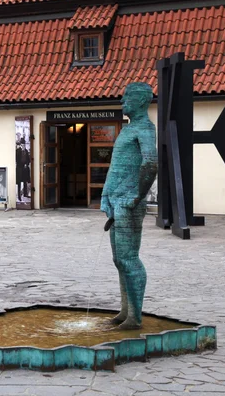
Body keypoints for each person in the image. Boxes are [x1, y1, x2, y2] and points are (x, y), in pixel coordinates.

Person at [101, 82, 158, 330]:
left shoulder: (145, 128)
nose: (122, 102)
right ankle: (125, 311)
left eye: (127, 97)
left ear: (142, 101)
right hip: (117, 202)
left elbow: (151, 163)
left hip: (128, 203)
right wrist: (106, 195)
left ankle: (135, 317)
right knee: (118, 259)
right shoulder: (128, 129)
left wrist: (137, 196)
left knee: (129, 258)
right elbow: (116, 167)